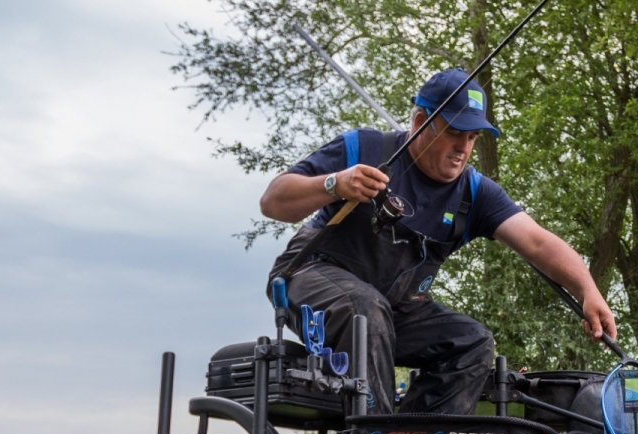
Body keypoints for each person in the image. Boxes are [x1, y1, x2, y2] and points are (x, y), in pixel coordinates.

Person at [259, 68, 616, 414]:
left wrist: (588, 290)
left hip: (391, 308)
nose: (463, 147)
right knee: (364, 309)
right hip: (308, 276)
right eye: (455, 132)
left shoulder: (474, 194)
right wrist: (334, 184)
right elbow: (273, 201)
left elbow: (538, 243)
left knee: (472, 342)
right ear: (419, 122)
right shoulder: (366, 148)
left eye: (473, 138)